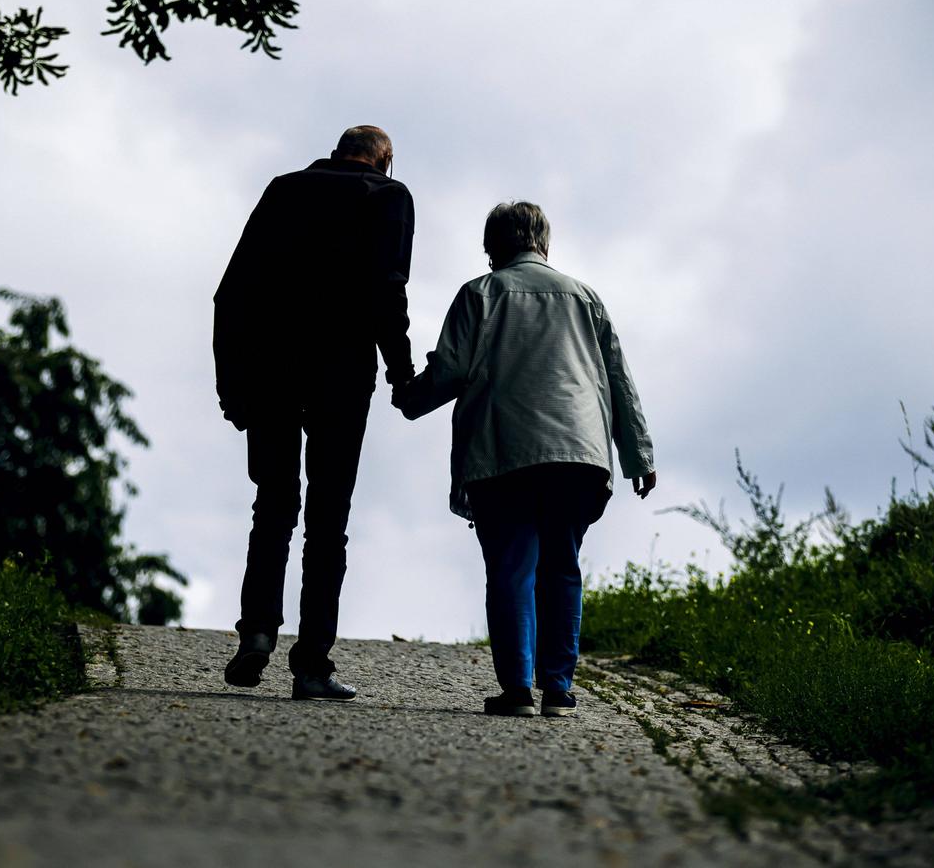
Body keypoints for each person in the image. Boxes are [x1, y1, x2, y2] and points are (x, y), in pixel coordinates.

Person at [395, 201, 655, 718]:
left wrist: (409, 398)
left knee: (512, 568)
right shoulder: (585, 297)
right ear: (544, 242)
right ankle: (558, 690)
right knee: (562, 567)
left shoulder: (481, 293)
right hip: (578, 455)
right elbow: (619, 378)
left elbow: (448, 370)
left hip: (504, 450)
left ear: (493, 247)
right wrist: (639, 454)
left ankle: (516, 690)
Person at [214, 125, 415, 701]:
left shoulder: (284, 188)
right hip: (343, 378)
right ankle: (310, 665)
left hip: (270, 372)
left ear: (337, 149)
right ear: (386, 161)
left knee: (273, 505)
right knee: (329, 519)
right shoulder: (388, 198)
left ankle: (256, 632)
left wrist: (231, 381)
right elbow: (388, 290)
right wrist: (401, 372)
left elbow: (233, 292)